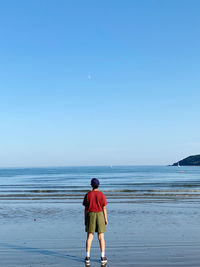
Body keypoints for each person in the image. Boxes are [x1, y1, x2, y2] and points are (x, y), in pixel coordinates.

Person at [83, 178, 108, 265]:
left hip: (91, 215)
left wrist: (85, 218)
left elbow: (86, 208)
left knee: (90, 236)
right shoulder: (101, 194)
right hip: (100, 214)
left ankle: (87, 257)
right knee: (101, 237)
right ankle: (102, 257)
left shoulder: (88, 194)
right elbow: (104, 207)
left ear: (91, 185)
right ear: (99, 185)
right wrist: (105, 219)